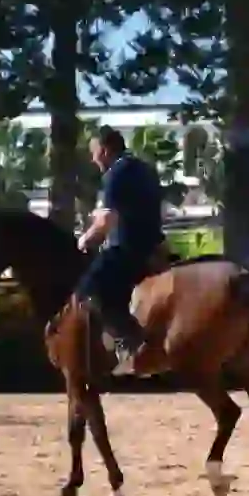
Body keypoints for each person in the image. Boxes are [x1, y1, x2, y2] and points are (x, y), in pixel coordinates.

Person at [76, 126, 165, 368]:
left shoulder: (115, 173)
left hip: (127, 247)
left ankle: (128, 341)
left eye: (93, 152)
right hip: (154, 245)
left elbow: (106, 221)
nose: (93, 159)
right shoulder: (143, 168)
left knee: (88, 290)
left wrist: (85, 239)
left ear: (104, 150)